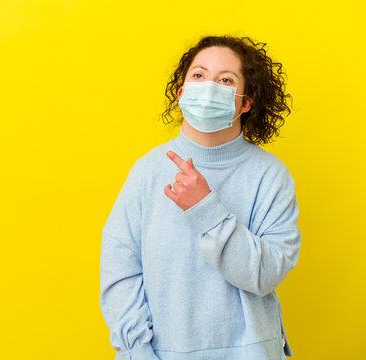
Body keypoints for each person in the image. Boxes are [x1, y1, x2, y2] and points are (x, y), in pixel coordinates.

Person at [99, 35, 301, 360]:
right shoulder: (147, 172)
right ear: (181, 93)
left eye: (225, 80)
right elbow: (119, 272)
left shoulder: (270, 176)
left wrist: (206, 208)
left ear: (245, 102)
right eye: (198, 75)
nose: (209, 87)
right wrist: (137, 352)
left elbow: (265, 274)